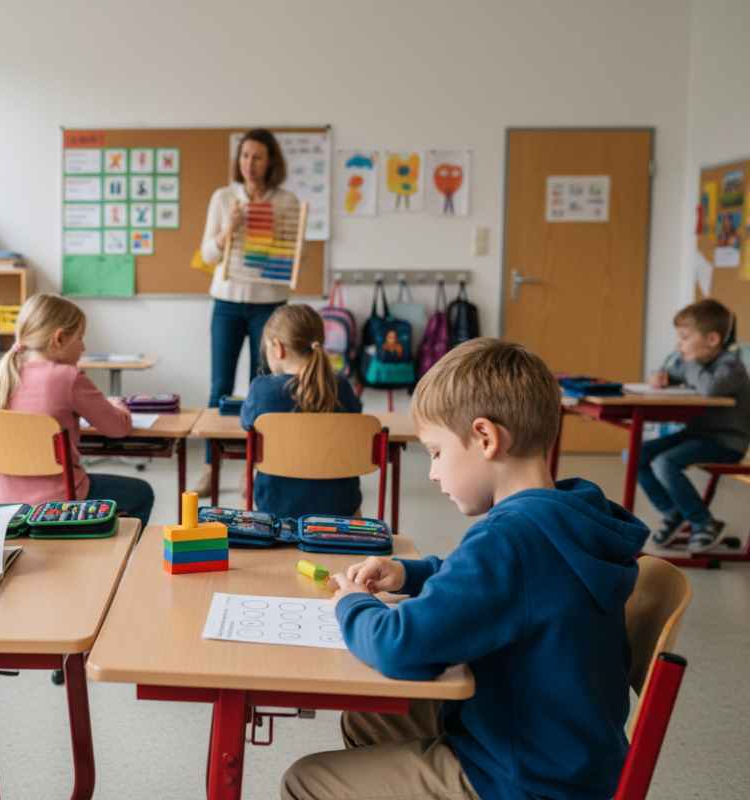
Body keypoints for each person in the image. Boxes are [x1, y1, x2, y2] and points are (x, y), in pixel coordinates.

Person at [281, 338, 649, 800]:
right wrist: (410, 574)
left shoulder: (509, 540)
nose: (433, 472)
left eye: (436, 452)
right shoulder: (565, 515)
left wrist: (351, 604)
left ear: (486, 438)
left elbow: (400, 646)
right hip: (566, 757)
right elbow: (503, 588)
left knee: (304, 781)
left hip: (522, 779)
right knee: (370, 717)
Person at [0, 293, 154, 530]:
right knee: (143, 493)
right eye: (80, 338)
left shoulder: (4, 375)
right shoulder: (68, 377)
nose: (83, 347)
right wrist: (118, 405)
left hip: (6, 502)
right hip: (60, 502)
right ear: (60, 338)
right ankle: (106, 546)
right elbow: (117, 428)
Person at [193, 128, 299, 496]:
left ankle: (255, 469)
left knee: (266, 385)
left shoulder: (286, 202)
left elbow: (294, 256)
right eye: (244, 156)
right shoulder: (224, 198)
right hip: (226, 302)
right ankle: (211, 467)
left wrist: (272, 235)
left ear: (271, 161)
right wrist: (228, 231)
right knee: (219, 385)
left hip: (269, 303)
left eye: (257, 157)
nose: (249, 163)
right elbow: (207, 254)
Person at [640, 298, 750, 551]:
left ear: (712, 339)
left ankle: (705, 523)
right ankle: (673, 512)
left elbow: (711, 387)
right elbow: (670, 373)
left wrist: (690, 363)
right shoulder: (692, 361)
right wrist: (659, 378)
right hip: (695, 436)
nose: (678, 344)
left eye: (685, 337)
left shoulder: (729, 365)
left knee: (665, 463)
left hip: (726, 442)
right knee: (635, 454)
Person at [240, 303, 363, 518]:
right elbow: (357, 418)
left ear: (278, 348)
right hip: (340, 506)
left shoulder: (261, 390)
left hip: (276, 506)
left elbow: (246, 424)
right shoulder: (342, 387)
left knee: (246, 475)